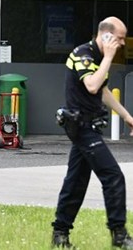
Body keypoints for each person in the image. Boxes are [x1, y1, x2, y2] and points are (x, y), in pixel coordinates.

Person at [51, 16, 133, 249]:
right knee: (113, 176)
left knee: (75, 181)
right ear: (105, 35)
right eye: (119, 39)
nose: (122, 44)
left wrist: (127, 117)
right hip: (82, 127)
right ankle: (119, 235)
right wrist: (108, 56)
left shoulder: (97, 57)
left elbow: (103, 91)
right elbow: (92, 85)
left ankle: (60, 234)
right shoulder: (82, 54)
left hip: (88, 127)